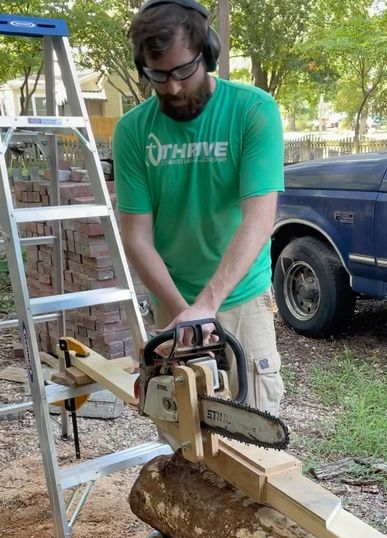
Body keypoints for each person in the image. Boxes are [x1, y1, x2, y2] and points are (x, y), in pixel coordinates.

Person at [113, 0, 285, 414]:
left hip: (241, 298)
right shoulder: (133, 131)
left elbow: (259, 220)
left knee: (252, 427)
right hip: (172, 298)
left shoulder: (253, 111)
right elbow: (136, 236)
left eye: (183, 71)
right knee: (182, 428)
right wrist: (182, 312)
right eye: (158, 75)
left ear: (207, 53)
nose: (172, 87)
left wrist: (206, 306)